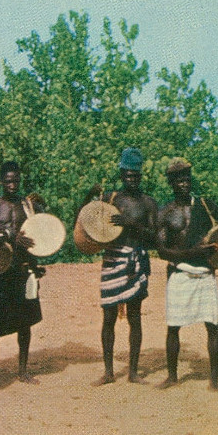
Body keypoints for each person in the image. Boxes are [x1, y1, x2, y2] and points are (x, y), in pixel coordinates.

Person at [156, 158, 218, 392]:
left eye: (187, 179)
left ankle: (214, 380)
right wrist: (191, 252)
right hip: (180, 274)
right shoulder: (165, 212)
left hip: (205, 274)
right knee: (173, 327)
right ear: (171, 183)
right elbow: (162, 251)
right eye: (179, 180)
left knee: (212, 325)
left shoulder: (206, 205)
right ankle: (172, 377)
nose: (184, 184)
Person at [82, 147, 158, 386]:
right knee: (108, 316)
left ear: (140, 175)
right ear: (122, 174)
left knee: (135, 317)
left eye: (136, 175)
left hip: (136, 260)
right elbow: (86, 218)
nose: (132, 179)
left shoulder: (148, 203)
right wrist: (87, 196)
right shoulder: (111, 199)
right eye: (128, 175)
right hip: (113, 260)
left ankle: (133, 372)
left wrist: (131, 224)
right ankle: (108, 371)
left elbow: (155, 238)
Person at [0, 161, 45, 385]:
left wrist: (36, 265)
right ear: (1, 181)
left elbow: (40, 235)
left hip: (24, 269)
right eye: (8, 181)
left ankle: (23, 370)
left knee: (25, 322)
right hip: (4, 270)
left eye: (15, 181)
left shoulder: (27, 206)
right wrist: (10, 235)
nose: (12, 185)